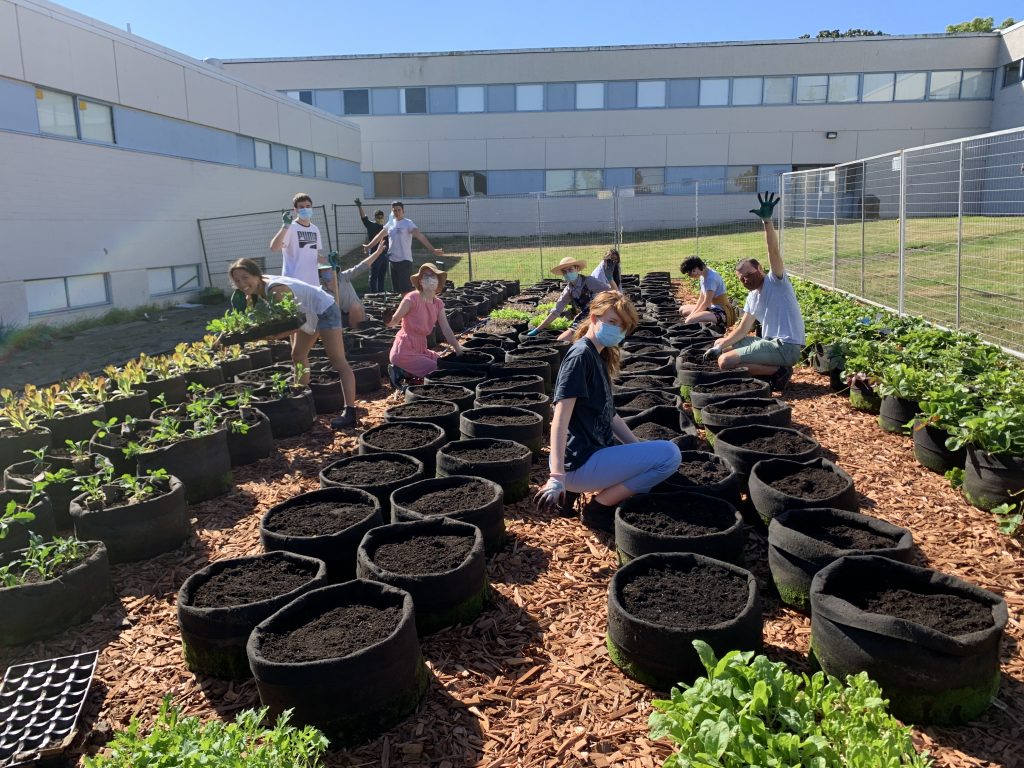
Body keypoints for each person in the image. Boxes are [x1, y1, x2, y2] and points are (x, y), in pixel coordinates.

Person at [534, 290, 681, 531]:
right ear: (594, 318)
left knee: (648, 451)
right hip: (577, 463)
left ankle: (572, 493)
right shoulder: (580, 356)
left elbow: (610, 415)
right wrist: (557, 477)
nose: (617, 330)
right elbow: (560, 418)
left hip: (586, 453)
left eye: (623, 326)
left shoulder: (598, 354)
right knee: (670, 455)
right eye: (612, 322)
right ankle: (598, 509)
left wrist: (636, 447)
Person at [227, 258, 359, 429]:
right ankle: (301, 398)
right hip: (307, 313)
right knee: (298, 355)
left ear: (257, 275)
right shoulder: (257, 288)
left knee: (338, 362)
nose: (242, 283)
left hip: (325, 309)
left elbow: (293, 325)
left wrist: (268, 337)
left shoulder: (275, 290)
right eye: (237, 280)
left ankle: (350, 412)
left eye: (245, 277)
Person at [707, 192, 805, 392]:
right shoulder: (752, 297)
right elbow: (743, 329)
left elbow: (773, 250)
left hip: (786, 347)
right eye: (741, 278)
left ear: (760, 268)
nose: (746, 280)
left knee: (725, 361)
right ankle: (766, 369)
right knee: (721, 343)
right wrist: (719, 346)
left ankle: (779, 371)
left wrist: (767, 221)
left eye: (749, 274)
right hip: (769, 343)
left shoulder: (776, 282)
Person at [386, 263, 463, 389]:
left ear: (438, 281)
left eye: (432, 276)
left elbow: (446, 329)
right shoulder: (412, 298)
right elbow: (394, 320)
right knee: (436, 369)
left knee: (443, 362)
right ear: (420, 281)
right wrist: (388, 320)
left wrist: (457, 348)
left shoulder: (438, 303)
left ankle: (404, 372)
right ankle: (400, 370)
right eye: (425, 276)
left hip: (421, 348)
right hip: (405, 350)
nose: (429, 279)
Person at [364, 201, 444, 295]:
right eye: (394, 210)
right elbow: (379, 236)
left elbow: (420, 236)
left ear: (403, 211)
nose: (397, 212)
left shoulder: (408, 223)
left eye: (399, 210)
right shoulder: (390, 224)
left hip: (404, 261)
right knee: (397, 291)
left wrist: (432, 250)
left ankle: (409, 304)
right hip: (392, 261)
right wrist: (368, 246)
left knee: (405, 291)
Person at [528, 257, 609, 342]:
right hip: (585, 317)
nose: (568, 273)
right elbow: (556, 311)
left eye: (570, 269)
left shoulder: (589, 281)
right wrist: (537, 329)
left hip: (600, 315)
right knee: (562, 340)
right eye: (564, 271)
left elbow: (610, 292)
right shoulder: (569, 290)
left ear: (577, 268)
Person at [270, 193, 324, 287]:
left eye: (308, 206)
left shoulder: (315, 229)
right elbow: (274, 248)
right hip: (293, 283)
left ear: (312, 208)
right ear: (296, 210)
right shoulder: (290, 227)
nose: (305, 209)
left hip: (313, 283)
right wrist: (285, 226)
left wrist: (328, 260)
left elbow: (313, 254)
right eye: (301, 207)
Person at [331, 239, 388, 328]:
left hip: (356, 314)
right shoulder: (322, 287)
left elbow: (361, 266)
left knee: (355, 307)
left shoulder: (343, 277)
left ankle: (356, 332)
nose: (329, 273)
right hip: (339, 319)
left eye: (331, 270)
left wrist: (377, 253)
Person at [678, 256, 736, 326]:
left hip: (721, 311)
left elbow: (707, 303)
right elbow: (701, 298)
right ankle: (700, 319)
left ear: (695, 269)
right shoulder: (703, 276)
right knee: (682, 309)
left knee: (689, 321)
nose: (690, 275)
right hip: (711, 307)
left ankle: (716, 327)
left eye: (689, 273)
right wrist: (693, 314)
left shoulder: (711, 279)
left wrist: (692, 316)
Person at [355, 198, 390, 294]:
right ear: (375, 218)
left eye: (382, 217)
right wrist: (359, 206)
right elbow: (364, 217)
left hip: (384, 254)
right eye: (378, 217)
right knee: (374, 275)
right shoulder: (371, 225)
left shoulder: (385, 227)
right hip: (374, 253)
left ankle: (381, 293)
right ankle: (374, 294)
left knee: (382, 275)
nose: (380, 219)